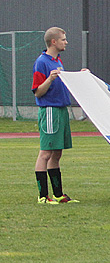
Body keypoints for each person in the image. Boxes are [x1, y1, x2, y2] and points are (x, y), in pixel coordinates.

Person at [33, 27, 80, 204]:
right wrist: (50, 79)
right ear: (54, 42)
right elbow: (38, 92)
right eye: (63, 39)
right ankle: (43, 196)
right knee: (45, 153)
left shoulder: (57, 61)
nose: (66, 42)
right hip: (50, 110)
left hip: (61, 110)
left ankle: (58, 195)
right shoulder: (42, 62)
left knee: (57, 154)